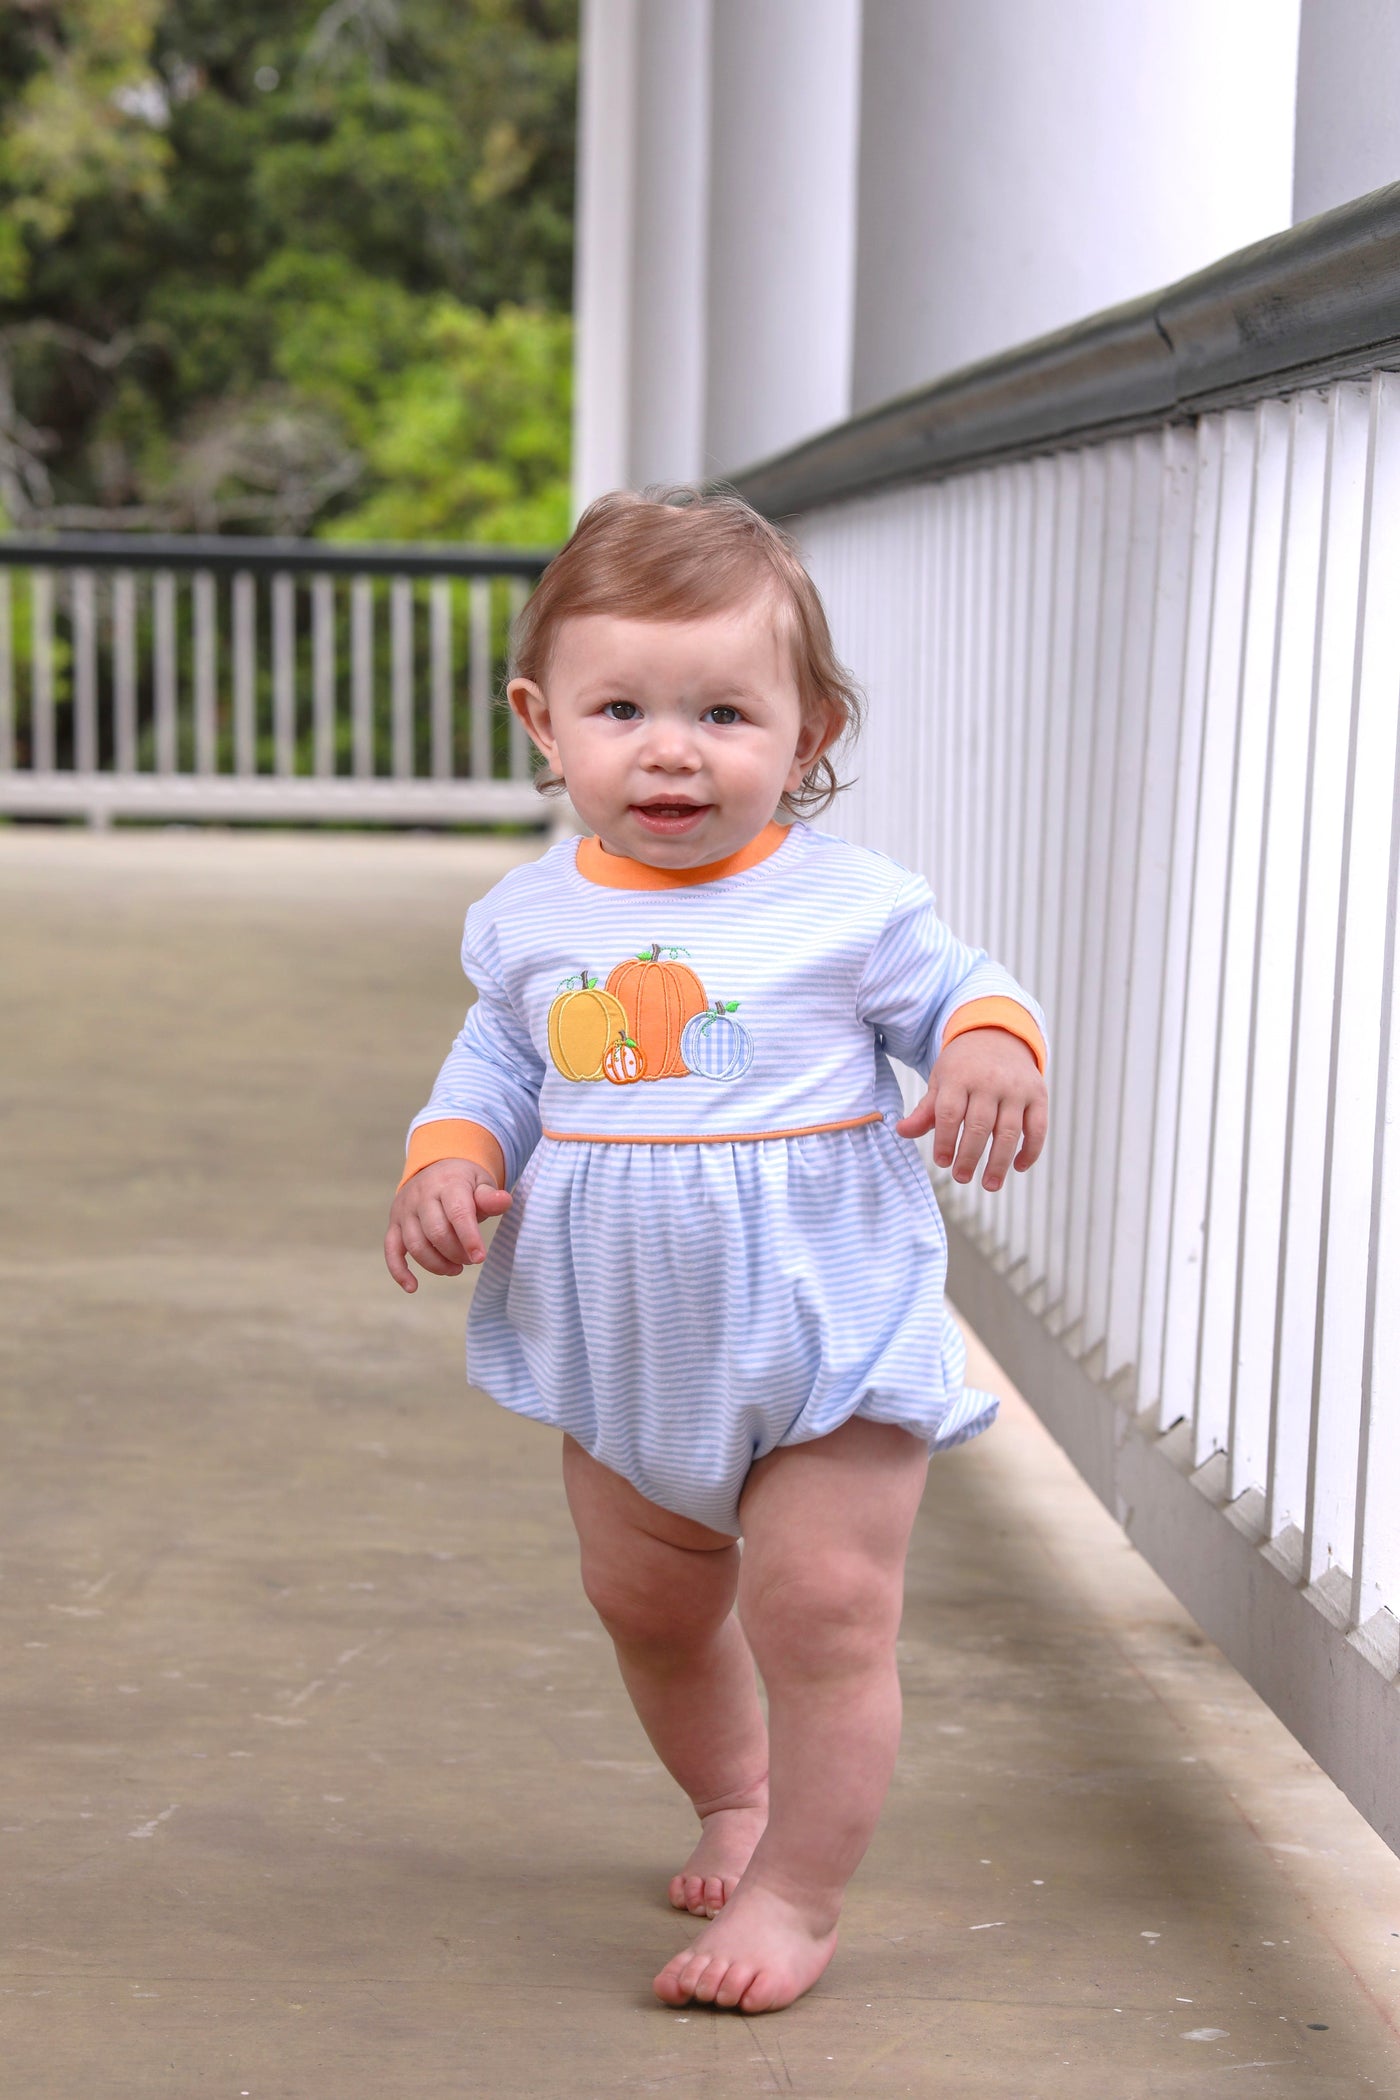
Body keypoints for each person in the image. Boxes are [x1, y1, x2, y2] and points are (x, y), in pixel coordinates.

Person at [384, 487, 1049, 2016]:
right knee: (651, 1603)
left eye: (725, 712)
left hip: (825, 1335)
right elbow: (497, 1069)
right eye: (621, 708)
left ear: (809, 731)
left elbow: (961, 987)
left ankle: (800, 1893)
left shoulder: (849, 907)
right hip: (623, 1351)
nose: (671, 748)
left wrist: (990, 1040)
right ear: (543, 723)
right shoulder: (531, 919)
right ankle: (737, 1799)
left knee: (821, 1607)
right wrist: (451, 1155)